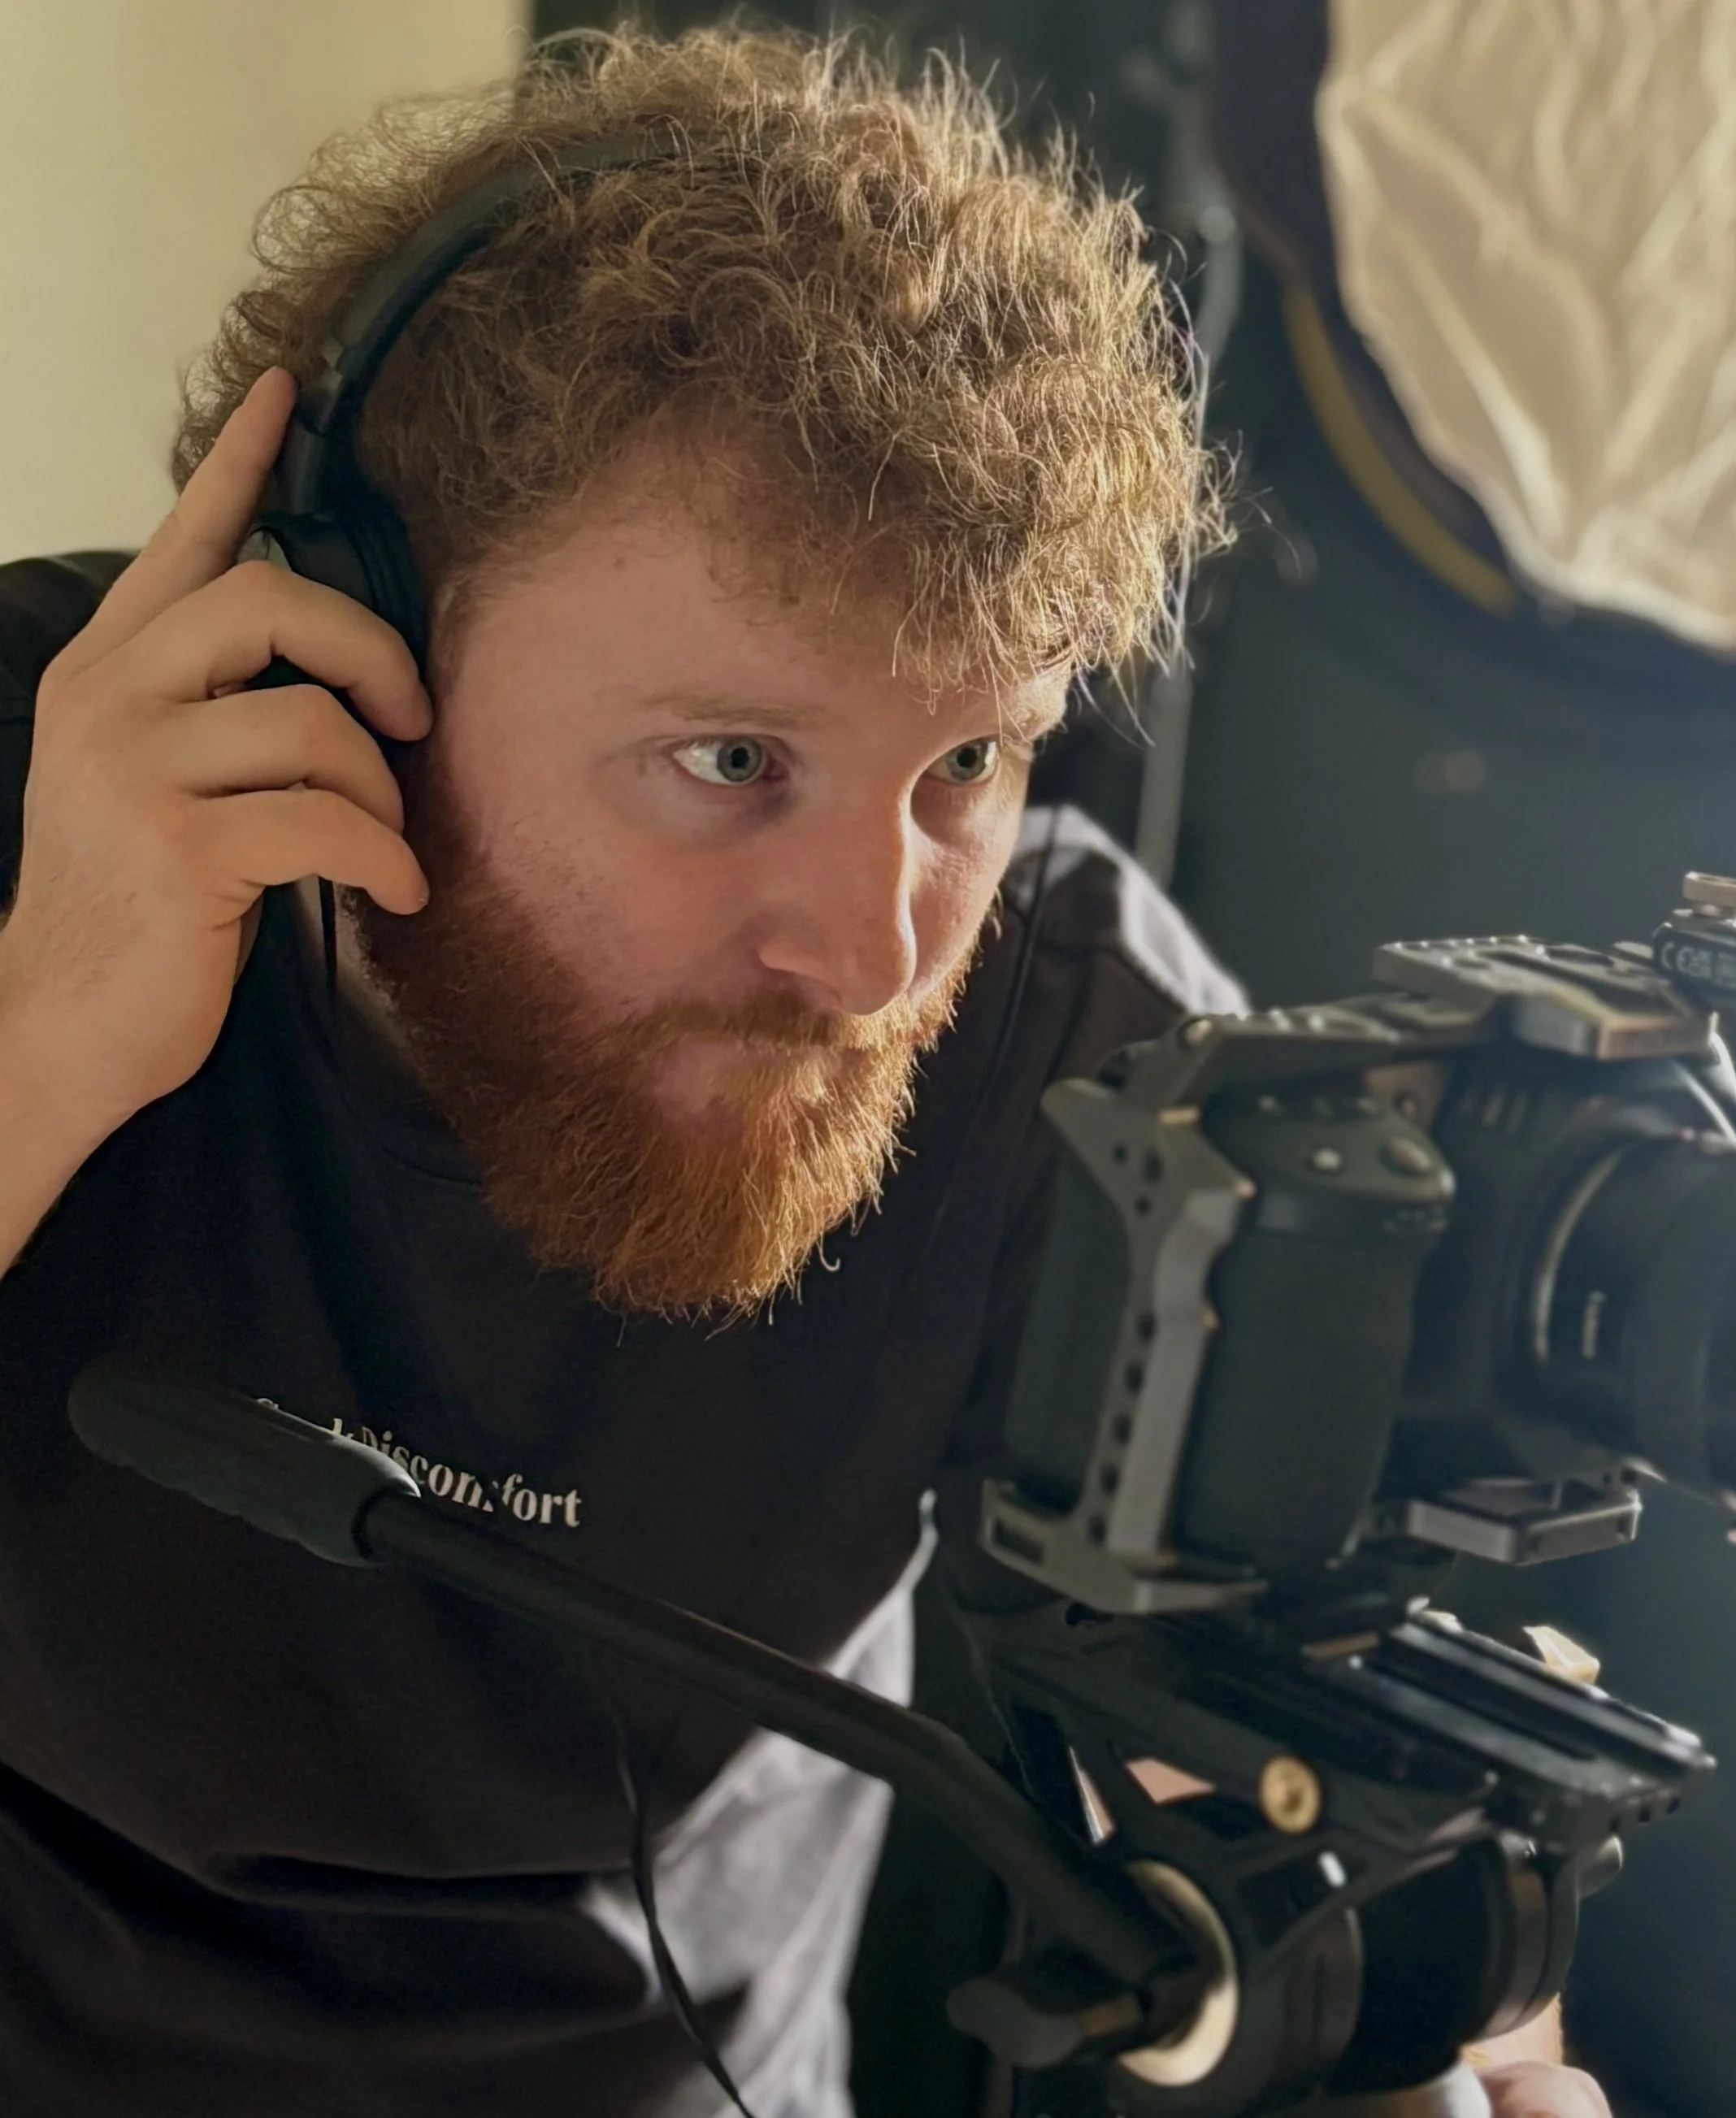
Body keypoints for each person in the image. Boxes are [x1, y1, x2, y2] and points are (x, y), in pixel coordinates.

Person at [0, 23, 1612, 2118]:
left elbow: (1311, 1784)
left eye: (967, 766)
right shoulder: (59, 798)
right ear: (343, 654)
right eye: (729, 761)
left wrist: (1426, 2030)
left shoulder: (1088, 1061)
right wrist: (50, 1027)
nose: (869, 958)